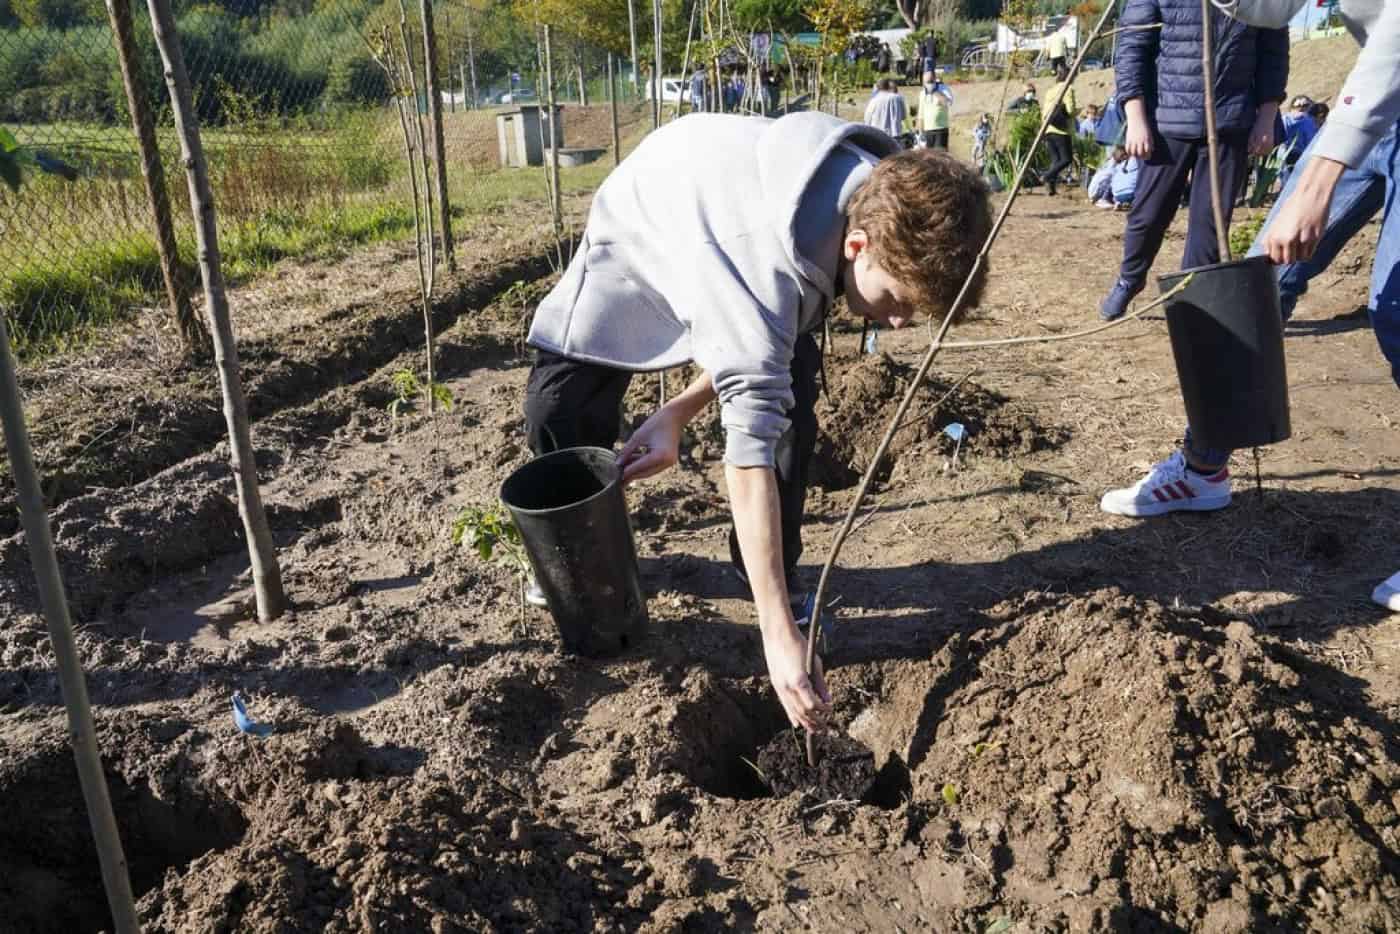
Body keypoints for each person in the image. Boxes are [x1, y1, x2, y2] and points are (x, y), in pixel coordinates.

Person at [522, 112, 992, 730]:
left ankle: (771, 572)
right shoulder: (763, 275)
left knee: (787, 412)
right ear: (858, 246)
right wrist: (777, 640)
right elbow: (744, 460)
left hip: (735, 246)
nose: (901, 323)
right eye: (900, 300)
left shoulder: (881, 189)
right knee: (559, 411)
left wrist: (677, 409)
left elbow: (752, 348)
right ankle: (583, 579)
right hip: (647, 221)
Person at [1100, 0, 1399, 612]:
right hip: (1377, 106)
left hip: (1380, 88)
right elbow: (1268, 9)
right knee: (1262, 274)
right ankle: (1204, 468)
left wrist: (1316, 182)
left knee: (1396, 311)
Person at [1097, 0, 1288, 320]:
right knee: (1148, 215)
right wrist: (1135, 116)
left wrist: (1267, 116)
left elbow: (1273, 52)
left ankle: (1190, 300)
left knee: (1210, 223)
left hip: (1230, 122)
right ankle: (1129, 279)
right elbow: (1132, 47)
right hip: (1168, 119)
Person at [1042, 63, 1078, 196]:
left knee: (1056, 160)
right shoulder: (1068, 88)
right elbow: (1070, 110)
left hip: (1048, 129)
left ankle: (1051, 189)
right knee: (1066, 159)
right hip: (1061, 129)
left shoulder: (1050, 91)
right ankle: (1047, 176)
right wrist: (1077, 113)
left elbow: (1045, 112)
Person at [914, 70, 953, 149]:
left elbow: (948, 103)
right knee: (929, 158)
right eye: (926, 82)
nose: (928, 84)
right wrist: (919, 133)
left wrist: (935, 92)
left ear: (935, 79)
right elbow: (921, 114)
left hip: (940, 129)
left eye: (930, 81)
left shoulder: (943, 89)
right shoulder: (922, 94)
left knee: (940, 157)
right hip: (927, 131)